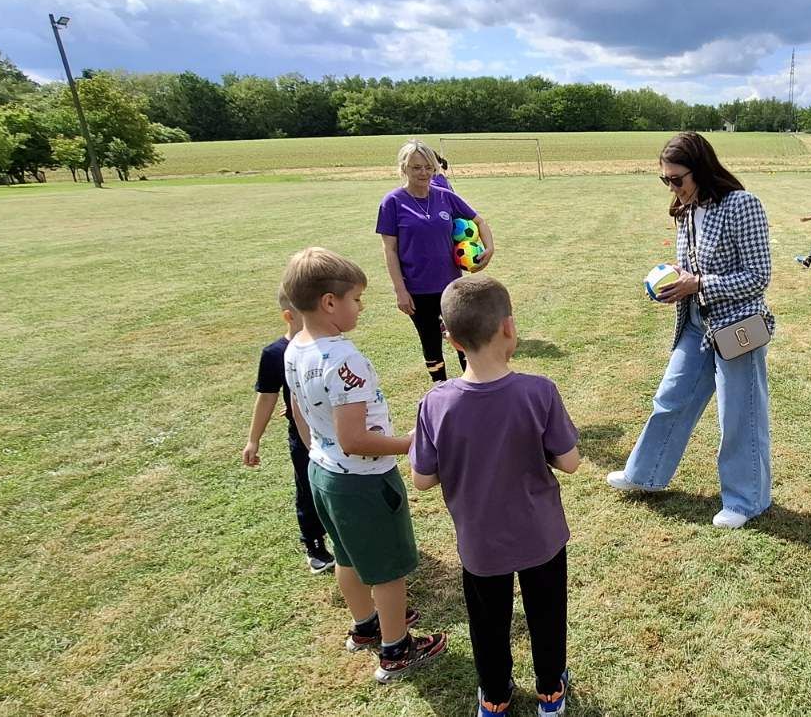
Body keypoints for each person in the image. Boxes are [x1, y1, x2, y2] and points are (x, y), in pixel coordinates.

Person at [411, 275, 580, 717]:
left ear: (449, 339)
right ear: (509, 327)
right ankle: (550, 690)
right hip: (540, 536)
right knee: (546, 613)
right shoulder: (538, 391)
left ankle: (495, 696)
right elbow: (570, 461)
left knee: (487, 623)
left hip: (479, 542)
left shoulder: (435, 403)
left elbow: (422, 480)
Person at [280, 246, 448, 683]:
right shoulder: (343, 358)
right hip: (362, 481)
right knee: (387, 570)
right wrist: (411, 442)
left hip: (323, 473)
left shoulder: (294, 346)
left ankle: (365, 625)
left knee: (348, 555)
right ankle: (396, 649)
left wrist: (319, 450)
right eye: (356, 299)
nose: (360, 307)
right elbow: (356, 439)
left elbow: (298, 410)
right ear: (329, 302)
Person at [607, 132, 774, 530]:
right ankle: (645, 474)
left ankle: (747, 501)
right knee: (669, 399)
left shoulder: (741, 205)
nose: (672, 188)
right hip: (697, 323)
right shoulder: (686, 210)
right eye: (665, 180)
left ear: (700, 171)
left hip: (738, 328)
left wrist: (698, 283)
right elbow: (693, 268)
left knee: (739, 416)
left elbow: (758, 277)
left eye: (677, 179)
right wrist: (673, 283)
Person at [377, 140, 495, 382]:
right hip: (417, 289)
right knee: (430, 341)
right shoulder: (392, 202)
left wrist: (489, 249)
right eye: (416, 167)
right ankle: (440, 388)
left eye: (428, 167)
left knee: (463, 338)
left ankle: (471, 386)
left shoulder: (446, 197)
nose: (423, 173)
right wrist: (400, 290)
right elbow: (389, 250)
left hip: (451, 287)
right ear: (404, 168)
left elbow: (480, 221)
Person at [243, 289, 334, 574]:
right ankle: (314, 543)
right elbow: (268, 396)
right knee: (308, 488)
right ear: (289, 316)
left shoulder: (328, 346)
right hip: (303, 436)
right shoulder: (275, 354)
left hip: (334, 429)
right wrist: (253, 440)